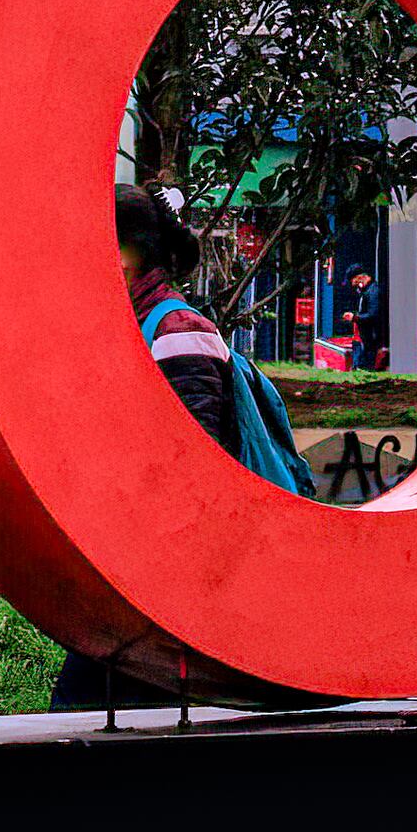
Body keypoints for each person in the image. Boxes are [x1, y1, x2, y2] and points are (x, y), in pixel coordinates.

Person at [47, 188, 253, 712]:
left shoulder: (177, 331)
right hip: (130, 569)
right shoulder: (129, 327)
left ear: (126, 253)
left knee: (90, 711)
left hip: (167, 578)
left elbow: (198, 465)